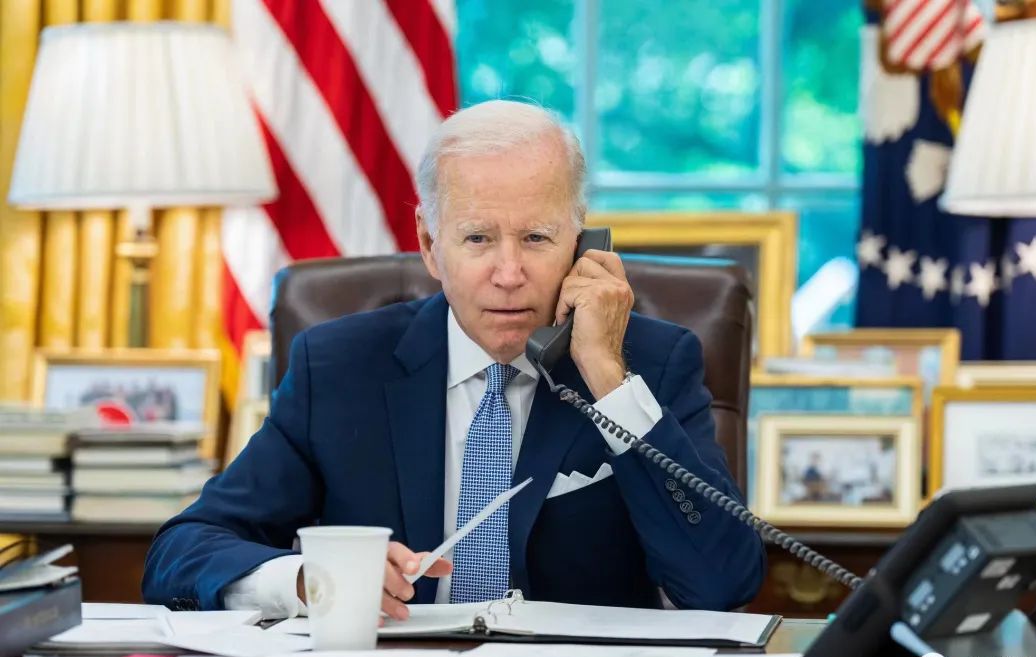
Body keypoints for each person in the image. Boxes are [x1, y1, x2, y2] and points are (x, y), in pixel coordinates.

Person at [143, 99, 766, 619]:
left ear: (581, 242)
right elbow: (183, 551)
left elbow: (722, 582)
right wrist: (308, 579)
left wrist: (608, 379)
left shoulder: (648, 364)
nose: (508, 273)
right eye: (477, 238)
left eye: (537, 237)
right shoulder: (338, 369)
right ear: (429, 243)